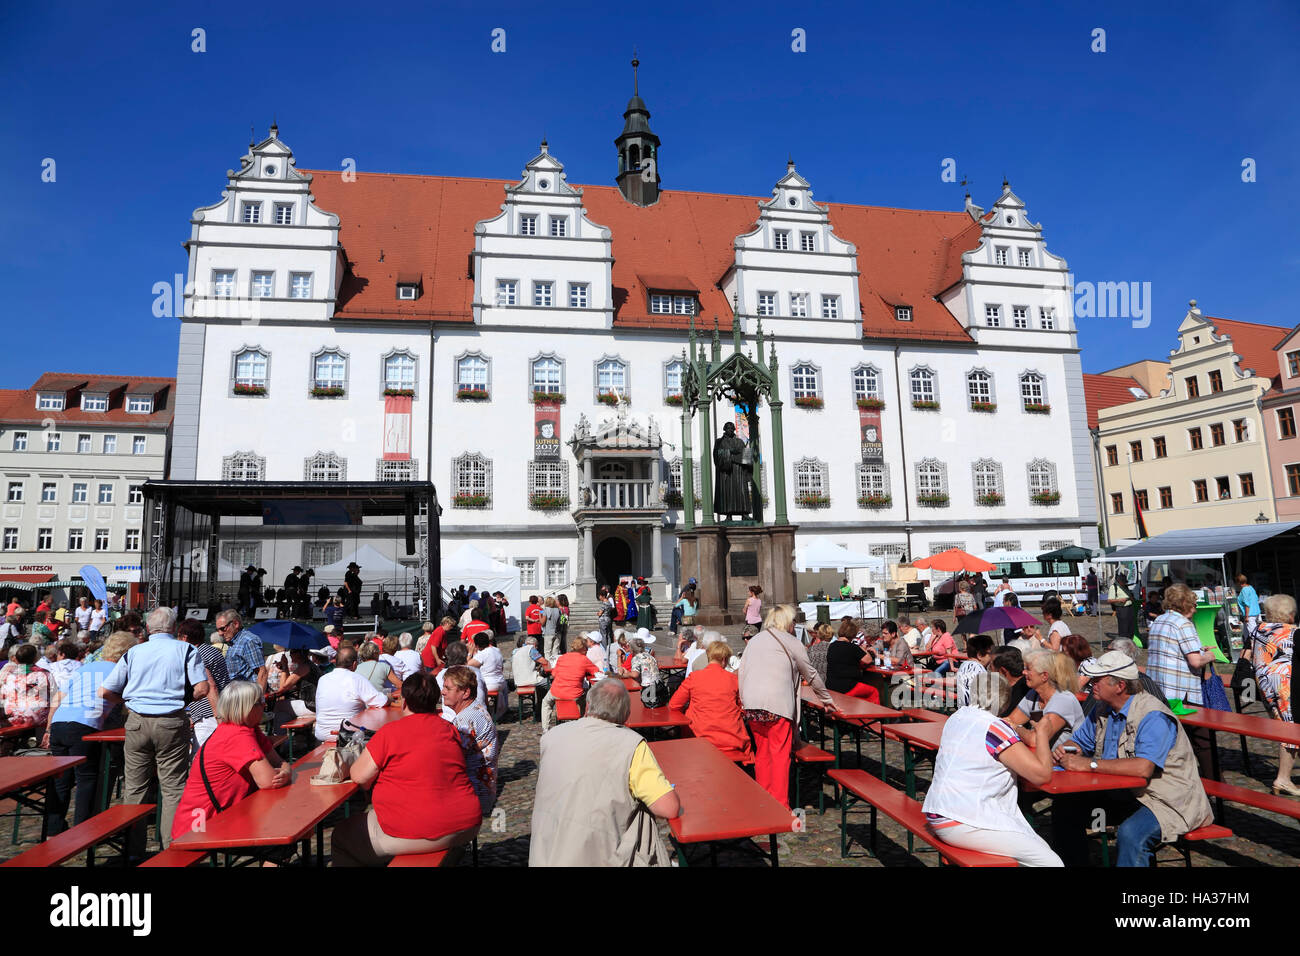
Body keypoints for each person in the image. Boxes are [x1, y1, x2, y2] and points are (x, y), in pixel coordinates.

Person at [1051, 651, 1214, 867]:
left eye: (1098, 679)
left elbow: (1143, 768)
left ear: (1119, 686)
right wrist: (1066, 749)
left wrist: (1089, 764)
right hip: (1126, 794)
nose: (1092, 683)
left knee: (1131, 834)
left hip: (1166, 800)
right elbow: (1079, 742)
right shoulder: (1102, 709)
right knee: (1065, 807)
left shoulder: (1153, 715)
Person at [332, 672, 482, 866]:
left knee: (342, 836)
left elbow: (360, 776)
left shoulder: (389, 732)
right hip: (466, 824)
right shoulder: (449, 729)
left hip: (413, 829)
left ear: (404, 702)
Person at [530, 678, 679, 865]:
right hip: (600, 858)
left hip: (545, 854)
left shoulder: (551, 737)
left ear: (587, 707)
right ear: (626, 715)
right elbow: (668, 808)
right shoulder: (631, 744)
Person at [98, 607, 210, 854]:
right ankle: (171, 847)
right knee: (173, 787)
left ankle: (133, 848)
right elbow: (203, 688)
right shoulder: (187, 650)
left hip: (137, 721)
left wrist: (127, 702)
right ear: (173, 627)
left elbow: (105, 691)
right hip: (171, 720)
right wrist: (182, 701)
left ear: (148, 628)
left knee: (134, 787)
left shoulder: (134, 652)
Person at [922, 671, 1061, 865]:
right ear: (1005, 702)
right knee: (1050, 862)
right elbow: (1042, 775)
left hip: (940, 810)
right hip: (962, 818)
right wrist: (1043, 734)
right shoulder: (994, 728)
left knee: (1038, 847)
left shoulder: (957, 718)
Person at [739, 604, 836, 806]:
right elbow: (811, 674)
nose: (794, 625)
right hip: (777, 705)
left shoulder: (755, 640)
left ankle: (764, 802)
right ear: (786, 622)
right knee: (780, 755)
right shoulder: (792, 642)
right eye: (793, 621)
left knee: (763, 754)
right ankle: (780, 804)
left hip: (752, 705)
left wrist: (744, 700)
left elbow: (742, 672)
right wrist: (826, 700)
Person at [171, 681, 290, 841]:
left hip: (222, 816)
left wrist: (286, 770)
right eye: (260, 702)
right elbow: (269, 781)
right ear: (246, 707)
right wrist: (284, 771)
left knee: (279, 829)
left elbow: (279, 763)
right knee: (279, 843)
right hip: (200, 827)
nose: (264, 706)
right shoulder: (238, 735)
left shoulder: (249, 729)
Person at [42, 630, 135, 835]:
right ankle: (84, 829)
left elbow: (58, 698)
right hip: (85, 724)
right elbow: (126, 701)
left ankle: (53, 828)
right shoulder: (120, 671)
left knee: (61, 779)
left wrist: (48, 728)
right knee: (87, 777)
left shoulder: (86, 667)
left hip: (60, 722)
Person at [1145, 583, 1218, 777]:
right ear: (1184, 603)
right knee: (1202, 740)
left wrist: (1201, 651)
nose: (1194, 609)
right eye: (1193, 605)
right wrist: (1210, 656)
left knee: (1170, 738)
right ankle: (1215, 782)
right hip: (1182, 692)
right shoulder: (1183, 624)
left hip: (1159, 689)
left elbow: (1172, 652)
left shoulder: (1159, 621)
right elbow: (1195, 662)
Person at [670, 641, 754, 762]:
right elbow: (742, 708)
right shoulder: (733, 679)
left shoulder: (694, 677)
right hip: (731, 740)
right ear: (724, 660)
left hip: (699, 738)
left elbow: (674, 705)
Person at [1251, 593, 1298, 796]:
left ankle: (1284, 777)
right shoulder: (1292, 632)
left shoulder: (1258, 629)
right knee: (1290, 731)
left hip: (1265, 687)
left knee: (1286, 728)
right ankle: (1283, 779)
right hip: (1286, 687)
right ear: (1290, 614)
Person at [1004, 650, 1084, 749]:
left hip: (1064, 761)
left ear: (1044, 676)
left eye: (1028, 669)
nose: (1023, 672)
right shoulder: (1033, 694)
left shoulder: (1063, 700)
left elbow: (1036, 740)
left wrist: (1016, 728)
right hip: (1043, 757)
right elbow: (1008, 721)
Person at [312, 645, 388, 742]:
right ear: (355, 664)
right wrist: (389, 697)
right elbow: (381, 701)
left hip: (322, 734)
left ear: (335, 662)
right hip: (347, 735)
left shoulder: (323, 679)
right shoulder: (356, 678)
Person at [177, 617, 229, 749]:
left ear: (184, 637)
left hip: (209, 715)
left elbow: (211, 686)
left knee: (200, 759)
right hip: (218, 710)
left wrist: (218, 717)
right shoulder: (210, 650)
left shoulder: (197, 655)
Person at [542, 634, 600, 732]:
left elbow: (554, 674)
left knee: (546, 703)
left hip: (557, 691)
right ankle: (582, 723)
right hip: (574, 694)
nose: (587, 651)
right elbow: (596, 671)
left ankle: (545, 729)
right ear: (582, 649)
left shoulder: (562, 658)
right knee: (585, 700)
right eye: (586, 649)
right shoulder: (584, 660)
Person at [826, 619, 881, 703]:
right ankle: (872, 715)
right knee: (873, 692)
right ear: (852, 634)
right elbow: (868, 660)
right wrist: (863, 648)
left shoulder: (831, 646)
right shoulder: (852, 647)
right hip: (848, 686)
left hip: (831, 685)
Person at [268, 648, 319, 733]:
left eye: (292, 652)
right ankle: (285, 741)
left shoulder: (304, 667)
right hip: (314, 704)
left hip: (312, 705)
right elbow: (287, 685)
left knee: (278, 705)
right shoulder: (308, 665)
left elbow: (283, 687)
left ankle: (278, 737)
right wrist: (285, 667)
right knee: (282, 714)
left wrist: (284, 665)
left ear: (300, 653)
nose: (290, 655)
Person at [2, 642, 52, 730]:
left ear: (16, 659)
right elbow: (55, 696)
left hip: (13, 718)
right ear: (36, 658)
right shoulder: (45, 674)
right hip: (38, 719)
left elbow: (3, 696)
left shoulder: (9, 675)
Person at [216, 610, 267, 692]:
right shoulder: (233, 642)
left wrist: (258, 699)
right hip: (236, 696)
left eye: (223, 629)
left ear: (236, 624)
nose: (220, 633)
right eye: (218, 630)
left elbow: (262, 673)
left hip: (248, 696)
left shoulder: (248, 641)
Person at [467, 631, 506, 717]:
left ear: (476, 646)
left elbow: (467, 665)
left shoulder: (483, 653)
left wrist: (470, 652)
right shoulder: (497, 650)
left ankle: (479, 714)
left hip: (489, 684)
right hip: (501, 682)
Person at [955, 634, 994, 708]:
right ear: (979, 655)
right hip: (977, 715)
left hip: (963, 711)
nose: (992, 657)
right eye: (990, 653)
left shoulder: (963, 666)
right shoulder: (978, 671)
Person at [990, 647, 1029, 718]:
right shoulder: (1026, 686)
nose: (989, 669)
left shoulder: (1025, 694)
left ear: (1002, 671)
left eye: (991, 666)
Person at [1236, 574, 1262, 650]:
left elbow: (1247, 604)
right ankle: (1249, 648)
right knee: (1247, 633)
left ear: (1238, 582)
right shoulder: (1251, 587)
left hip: (1250, 614)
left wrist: (1247, 616)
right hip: (1257, 612)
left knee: (1253, 634)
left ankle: (1256, 650)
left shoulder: (1244, 590)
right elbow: (1256, 599)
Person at [541, 596, 561, 660]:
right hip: (557, 632)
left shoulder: (546, 610)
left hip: (548, 633)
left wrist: (539, 615)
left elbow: (542, 622)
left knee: (547, 651)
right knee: (555, 650)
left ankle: (548, 666)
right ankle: (554, 665)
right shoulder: (558, 610)